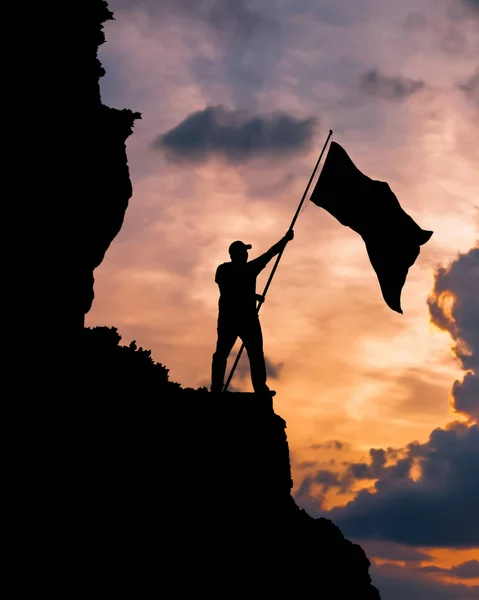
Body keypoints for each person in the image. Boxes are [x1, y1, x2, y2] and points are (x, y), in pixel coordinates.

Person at [211, 229, 295, 394]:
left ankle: (220, 388)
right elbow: (269, 255)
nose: (246, 255)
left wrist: (252, 295)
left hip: (231, 318)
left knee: (242, 354)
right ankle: (253, 388)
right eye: (244, 252)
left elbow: (231, 288)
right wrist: (285, 240)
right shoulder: (244, 269)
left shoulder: (225, 270)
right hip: (244, 319)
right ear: (238, 254)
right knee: (248, 354)